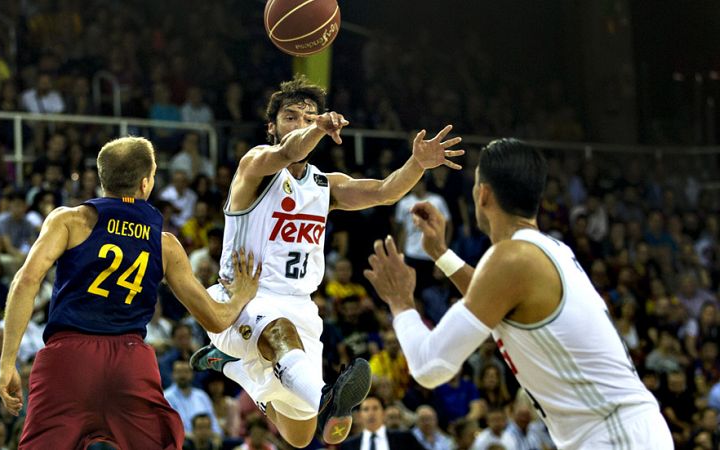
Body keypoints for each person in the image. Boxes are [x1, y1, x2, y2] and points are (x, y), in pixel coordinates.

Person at [190, 76, 464, 447]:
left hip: (300, 305)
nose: (301, 124)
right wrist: (317, 128)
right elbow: (287, 153)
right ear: (272, 126)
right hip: (241, 297)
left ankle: (231, 366)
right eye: (291, 117)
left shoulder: (325, 184)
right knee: (282, 339)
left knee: (299, 435)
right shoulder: (254, 165)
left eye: (309, 117)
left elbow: (384, 193)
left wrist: (417, 164)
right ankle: (325, 397)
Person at [363, 138, 673, 450]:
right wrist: (442, 255)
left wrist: (400, 302)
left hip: (614, 434)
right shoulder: (549, 249)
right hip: (623, 430)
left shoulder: (511, 259)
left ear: (483, 194)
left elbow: (429, 367)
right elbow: (492, 299)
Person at [0, 137, 262, 449]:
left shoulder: (69, 220)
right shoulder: (166, 245)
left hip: (67, 359)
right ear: (146, 183)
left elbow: (26, 282)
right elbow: (217, 320)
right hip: (129, 360)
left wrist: (7, 362)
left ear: (101, 178)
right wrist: (242, 294)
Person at [339, 395, 422, 450]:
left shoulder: (405, 438)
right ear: (360, 416)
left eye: (375, 408)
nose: (371, 413)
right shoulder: (348, 446)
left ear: (383, 413)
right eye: (366, 409)